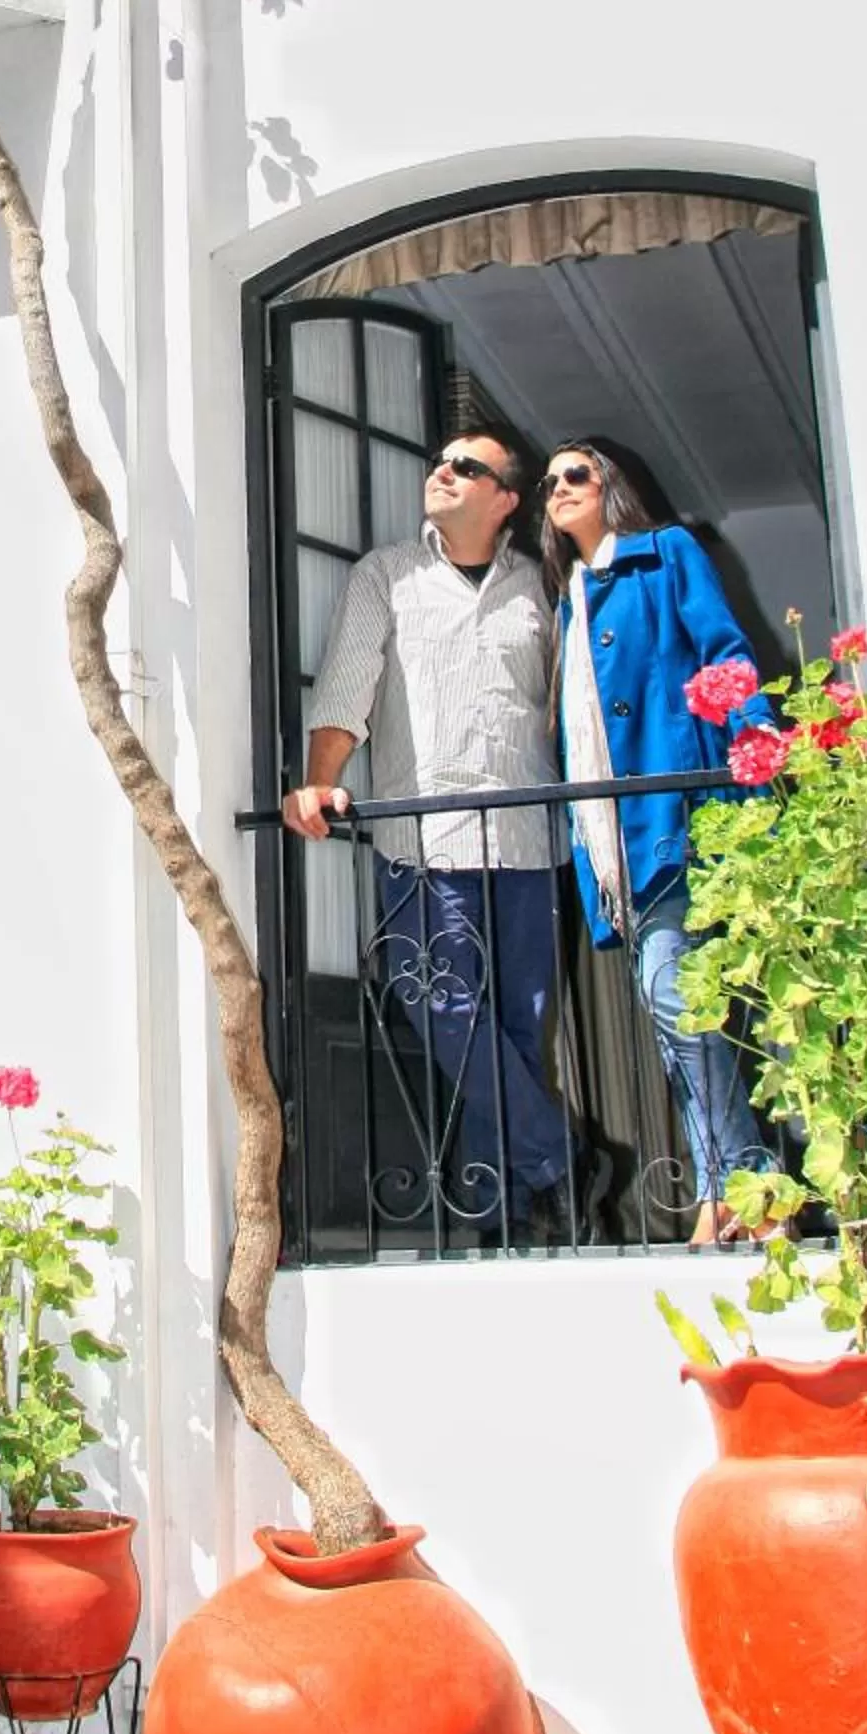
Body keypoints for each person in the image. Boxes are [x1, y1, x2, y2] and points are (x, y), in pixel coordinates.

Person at [283, 431, 591, 1246]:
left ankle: (505, 1214)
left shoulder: (542, 586)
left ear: (505, 500)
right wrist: (320, 779)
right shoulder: (387, 575)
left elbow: (573, 708)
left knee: (518, 1035)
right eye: (440, 462)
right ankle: (559, 1159)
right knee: (442, 1006)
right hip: (427, 842)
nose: (441, 472)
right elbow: (347, 688)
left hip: (530, 844)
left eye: (465, 467)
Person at [538, 440, 770, 1247]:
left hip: (676, 818)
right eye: (549, 483)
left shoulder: (665, 554)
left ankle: (740, 1183)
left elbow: (726, 657)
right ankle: (740, 1186)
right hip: (620, 850)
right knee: (676, 1011)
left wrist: (757, 763)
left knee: (678, 1001)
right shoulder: (572, 599)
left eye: (576, 475)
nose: (558, 489)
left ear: (612, 488)